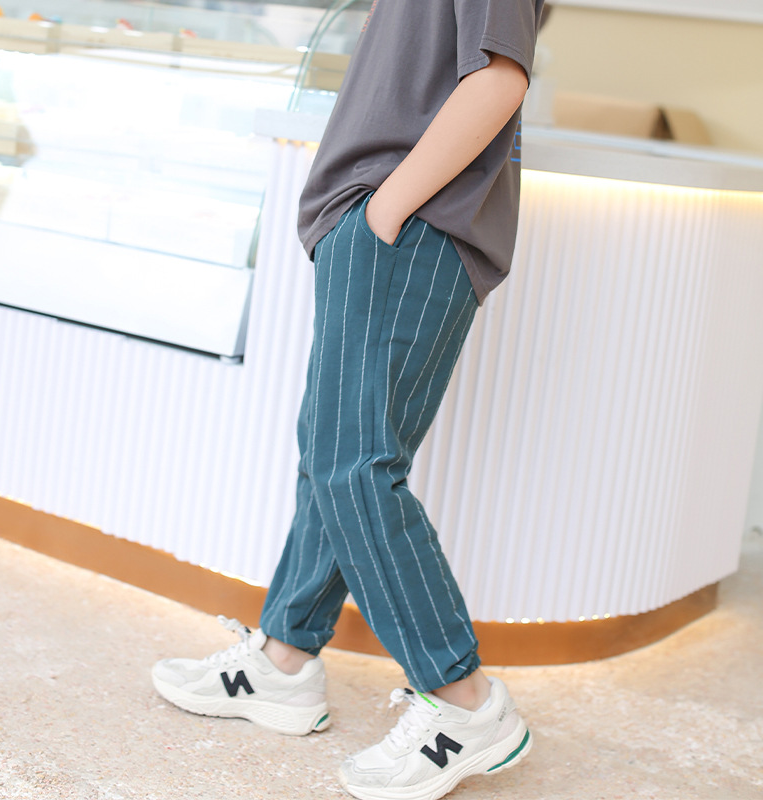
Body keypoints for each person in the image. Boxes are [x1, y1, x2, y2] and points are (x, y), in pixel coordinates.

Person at [152, 0, 545, 797]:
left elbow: (499, 77)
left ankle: (465, 700)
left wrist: (385, 213)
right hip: (390, 224)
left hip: (410, 226)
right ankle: (285, 659)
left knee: (353, 463)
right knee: (335, 455)